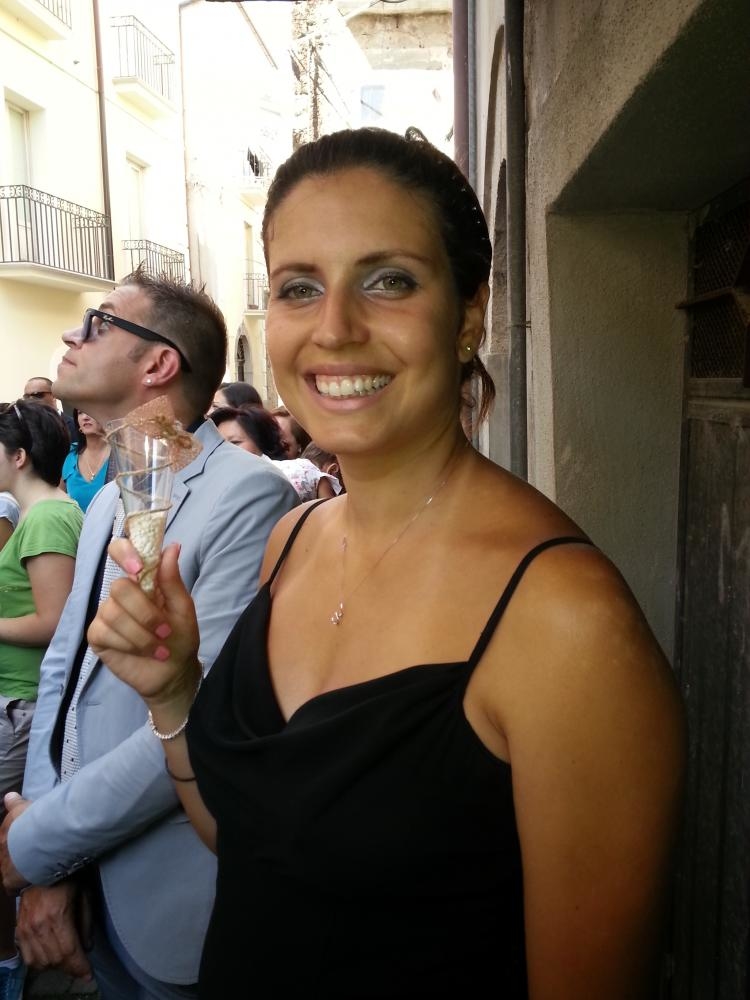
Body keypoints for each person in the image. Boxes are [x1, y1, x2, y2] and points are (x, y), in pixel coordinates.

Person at [80, 128, 684, 998]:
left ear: (469, 313)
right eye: (299, 287)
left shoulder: (568, 625)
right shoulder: (292, 539)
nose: (335, 328)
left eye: (388, 280)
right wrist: (174, 693)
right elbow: (255, 849)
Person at [0, 270, 297, 998]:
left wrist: (37, 842)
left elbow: (198, 715)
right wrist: (52, 857)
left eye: (98, 323)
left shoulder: (247, 495)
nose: (71, 335)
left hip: (170, 896)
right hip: (89, 879)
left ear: (159, 364)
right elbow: (64, 673)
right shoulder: (105, 502)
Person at [0, 401, 83, 999]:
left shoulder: (48, 516)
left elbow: (55, 622)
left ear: (20, 456)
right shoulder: (43, 512)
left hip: (23, 703)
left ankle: (11, 962)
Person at [211, 407, 341, 500]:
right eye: (219, 443)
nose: (224, 449)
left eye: (235, 442)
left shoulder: (302, 472)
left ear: (260, 440)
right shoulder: (211, 486)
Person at [61, 411, 111, 513]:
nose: (85, 417)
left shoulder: (120, 455)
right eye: (80, 413)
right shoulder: (68, 454)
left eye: (89, 411)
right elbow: (59, 503)